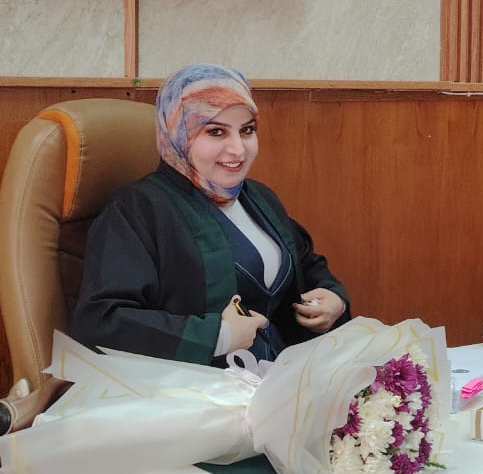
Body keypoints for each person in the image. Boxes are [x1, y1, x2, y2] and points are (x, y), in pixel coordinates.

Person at [72, 63, 350, 366]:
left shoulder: (259, 198)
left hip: (279, 374)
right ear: (178, 133)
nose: (238, 150)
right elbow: (101, 320)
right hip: (191, 386)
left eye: (247, 130)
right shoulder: (137, 210)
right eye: (216, 132)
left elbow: (305, 265)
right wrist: (217, 336)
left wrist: (333, 298)